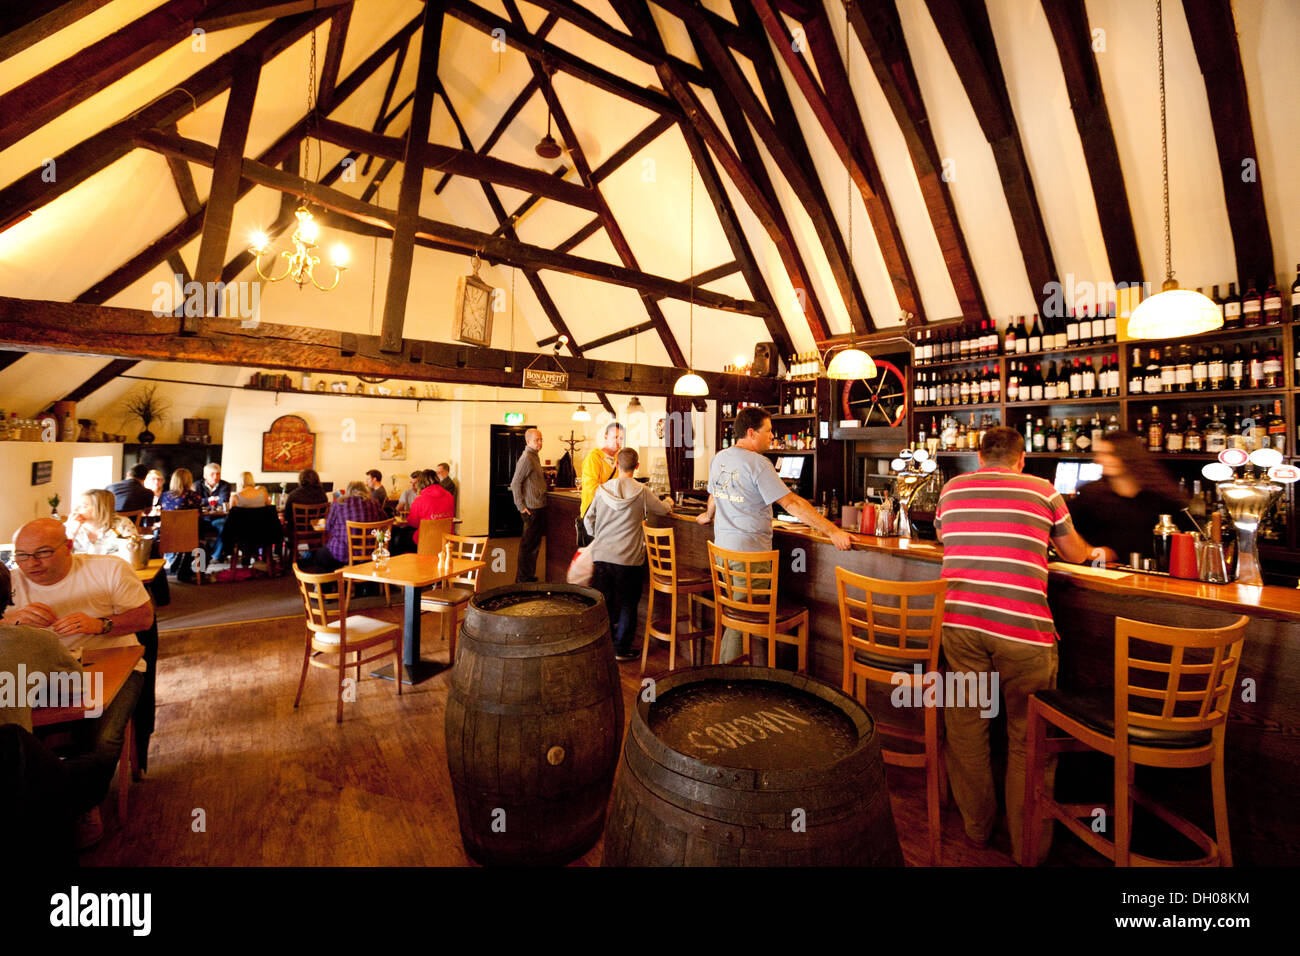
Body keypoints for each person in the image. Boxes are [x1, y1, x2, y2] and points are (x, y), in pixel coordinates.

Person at [933, 426, 1095, 865]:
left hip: (959, 623)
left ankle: (977, 830)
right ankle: (1028, 849)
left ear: (980, 457)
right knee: (1028, 740)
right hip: (1023, 630)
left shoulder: (952, 489)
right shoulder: (1044, 491)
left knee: (967, 729)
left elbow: (946, 538)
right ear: (1020, 458)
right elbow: (1076, 555)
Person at [2, 519, 155, 822]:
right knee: (17, 735)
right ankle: (40, 799)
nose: (31, 564)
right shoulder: (9, 582)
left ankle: (84, 805)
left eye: (42, 553)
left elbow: (145, 619)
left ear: (69, 546)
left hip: (113, 660)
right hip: (36, 668)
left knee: (101, 739)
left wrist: (101, 624)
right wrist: (12, 620)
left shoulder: (108, 569)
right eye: (21, 556)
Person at [696, 407, 851, 662]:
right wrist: (832, 531)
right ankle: (725, 683)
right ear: (751, 433)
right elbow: (791, 503)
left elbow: (715, 492)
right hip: (749, 557)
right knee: (739, 621)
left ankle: (735, 678)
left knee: (735, 614)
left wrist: (708, 515)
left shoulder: (720, 457)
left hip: (722, 552)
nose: (772, 436)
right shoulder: (758, 463)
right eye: (767, 431)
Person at [583, 448, 673, 661]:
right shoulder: (642, 491)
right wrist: (669, 501)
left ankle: (600, 646)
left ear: (616, 464)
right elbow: (661, 509)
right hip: (629, 559)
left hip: (602, 555)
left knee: (603, 602)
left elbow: (588, 519)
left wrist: (599, 536)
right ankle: (621, 649)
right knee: (627, 604)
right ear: (637, 466)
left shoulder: (602, 489)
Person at [1069, 430, 1191, 563]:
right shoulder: (1090, 494)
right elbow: (1063, 530)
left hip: (1151, 575)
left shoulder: (1160, 497)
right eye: (1099, 454)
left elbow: (1185, 542)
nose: (1099, 459)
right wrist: (1089, 551)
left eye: (1109, 454)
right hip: (1102, 574)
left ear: (1128, 455)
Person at [298, 481, 386, 572]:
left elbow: (328, 527)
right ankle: (363, 584)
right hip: (370, 554)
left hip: (341, 553)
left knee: (320, 555)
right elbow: (385, 524)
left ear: (348, 492)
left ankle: (330, 584)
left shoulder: (338, 504)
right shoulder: (375, 504)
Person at [510, 428, 547, 583]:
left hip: (537, 507)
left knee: (533, 545)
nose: (540, 442)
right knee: (528, 546)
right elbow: (515, 483)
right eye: (537, 440)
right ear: (528, 441)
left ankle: (527, 577)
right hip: (531, 509)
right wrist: (520, 506)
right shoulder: (527, 458)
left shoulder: (534, 456)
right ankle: (523, 580)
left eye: (541, 439)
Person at [159, 468, 203, 583]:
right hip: (189, 534)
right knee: (201, 537)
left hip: (168, 534)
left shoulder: (164, 496)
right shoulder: (194, 496)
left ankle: (177, 562)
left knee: (188, 533)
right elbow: (199, 514)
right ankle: (189, 570)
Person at [64, 489, 138, 555]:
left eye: (84, 506)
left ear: (101, 509)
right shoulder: (69, 526)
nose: (75, 509)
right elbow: (61, 557)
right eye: (76, 505)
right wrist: (72, 533)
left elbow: (132, 553)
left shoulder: (122, 524)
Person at [580, 423, 625, 519]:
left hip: (610, 515)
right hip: (593, 515)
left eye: (621, 438)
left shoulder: (619, 459)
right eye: (615, 437)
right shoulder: (594, 457)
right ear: (606, 436)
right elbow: (592, 489)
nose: (618, 441)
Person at [408, 469, 455, 548]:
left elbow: (413, 523)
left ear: (421, 483)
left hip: (425, 540)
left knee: (401, 538)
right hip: (446, 540)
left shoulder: (419, 500)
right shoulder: (449, 496)